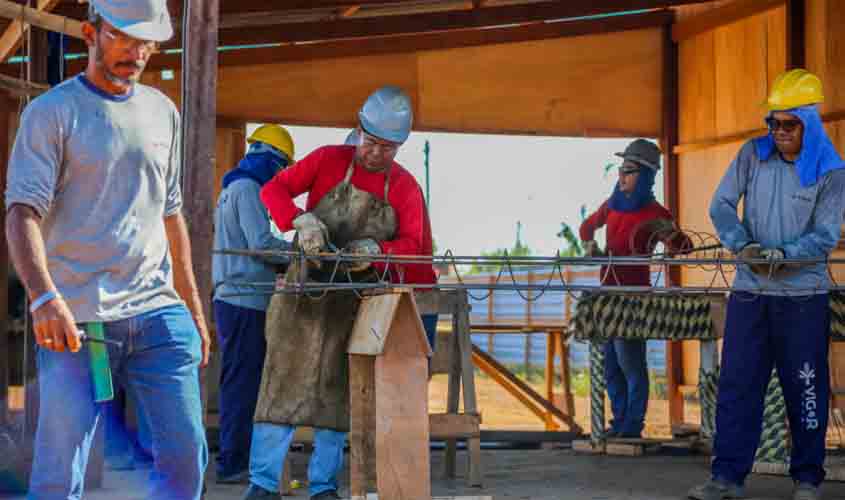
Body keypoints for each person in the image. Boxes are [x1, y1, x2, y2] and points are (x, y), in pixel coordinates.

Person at [4, 1, 209, 498]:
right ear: (89, 33)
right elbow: (21, 213)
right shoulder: (52, 113)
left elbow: (170, 212)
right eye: (121, 36)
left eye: (144, 42)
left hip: (159, 313)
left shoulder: (164, 112)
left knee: (186, 459)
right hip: (80, 320)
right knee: (60, 472)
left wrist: (194, 310)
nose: (134, 51)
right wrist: (43, 297)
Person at [240, 86, 437, 500]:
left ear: (399, 146)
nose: (374, 153)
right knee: (281, 386)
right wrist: (301, 221)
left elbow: (416, 248)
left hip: (356, 304)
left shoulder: (404, 188)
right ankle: (262, 484)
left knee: (338, 392)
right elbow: (272, 190)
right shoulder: (328, 159)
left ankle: (323, 486)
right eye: (369, 141)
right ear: (358, 128)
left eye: (386, 147)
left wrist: (378, 252)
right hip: (303, 297)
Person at [688, 69, 845, 500]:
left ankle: (808, 480)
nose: (778, 132)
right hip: (750, 295)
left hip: (803, 299)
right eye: (772, 123)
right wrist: (744, 245)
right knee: (738, 385)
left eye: (788, 124)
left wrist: (786, 255)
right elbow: (720, 204)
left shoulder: (831, 172)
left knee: (806, 389)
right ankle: (726, 478)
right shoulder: (751, 155)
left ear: (810, 122)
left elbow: (826, 234)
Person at [579, 139, 690, 439]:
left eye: (628, 171)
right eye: (620, 171)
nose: (621, 177)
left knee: (630, 363)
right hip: (609, 297)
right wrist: (591, 246)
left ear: (645, 175)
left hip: (634, 300)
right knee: (610, 367)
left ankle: (632, 425)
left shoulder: (656, 213)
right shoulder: (612, 204)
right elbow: (586, 228)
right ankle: (620, 421)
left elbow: (684, 247)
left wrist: (670, 237)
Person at [212, 124, 294, 483]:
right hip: (244, 300)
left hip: (237, 298)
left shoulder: (233, 187)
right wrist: (300, 253)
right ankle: (233, 464)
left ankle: (235, 460)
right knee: (244, 384)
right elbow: (260, 243)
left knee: (240, 381)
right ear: (272, 160)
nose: (280, 176)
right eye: (281, 168)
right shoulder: (247, 189)